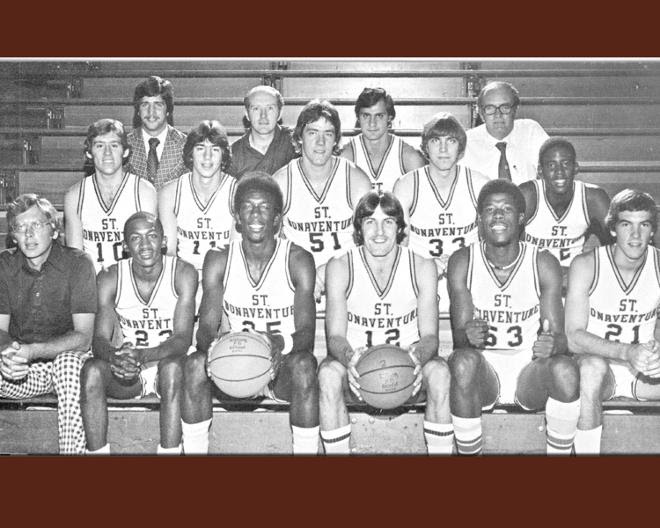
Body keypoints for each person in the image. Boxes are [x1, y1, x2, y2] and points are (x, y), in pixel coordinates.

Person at [181, 173, 320, 455]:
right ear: (237, 216)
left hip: (278, 365)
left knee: (305, 365)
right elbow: (206, 327)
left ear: (278, 217)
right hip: (233, 365)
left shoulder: (298, 259)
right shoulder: (218, 258)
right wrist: (212, 350)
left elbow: (306, 332)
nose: (255, 214)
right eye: (247, 206)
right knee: (195, 364)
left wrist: (278, 344)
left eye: (264, 207)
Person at [447, 180, 580, 455]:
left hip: (528, 369)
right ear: (480, 218)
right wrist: (466, 335)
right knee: (461, 361)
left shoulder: (542, 262)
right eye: (490, 209)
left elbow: (560, 339)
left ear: (520, 218)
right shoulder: (462, 260)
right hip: (486, 369)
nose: (497, 216)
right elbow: (460, 339)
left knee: (565, 369)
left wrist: (553, 345)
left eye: (506, 209)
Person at [318, 191, 452, 454]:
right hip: (357, 364)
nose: (379, 231)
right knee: (328, 375)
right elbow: (334, 336)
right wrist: (350, 359)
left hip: (408, 364)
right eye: (370, 222)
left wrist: (417, 358)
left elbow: (431, 338)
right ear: (359, 229)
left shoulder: (422, 267)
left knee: (440, 373)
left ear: (400, 228)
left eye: (388, 222)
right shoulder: (341, 266)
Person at [80, 212, 197, 455]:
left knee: (172, 368)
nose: (145, 245)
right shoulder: (110, 277)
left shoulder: (183, 273)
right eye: (135, 238)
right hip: (129, 371)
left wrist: (142, 355)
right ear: (124, 246)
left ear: (164, 241)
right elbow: (99, 340)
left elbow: (182, 339)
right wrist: (116, 358)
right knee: (91, 370)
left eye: (152, 236)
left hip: (166, 365)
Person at [0, 194, 96, 454]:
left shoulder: (78, 263)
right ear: (13, 236)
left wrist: (32, 351)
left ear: (54, 231)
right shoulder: (5, 264)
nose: (28, 235)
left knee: (68, 365)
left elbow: (84, 337)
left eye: (36, 225)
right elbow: (0, 329)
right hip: (22, 370)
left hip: (67, 367)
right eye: (20, 228)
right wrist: (11, 354)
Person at [566, 190, 660, 455]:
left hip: (644, 373)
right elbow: (573, 336)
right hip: (600, 367)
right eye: (626, 224)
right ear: (613, 229)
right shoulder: (587, 265)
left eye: (644, 225)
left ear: (653, 230)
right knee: (592, 368)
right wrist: (626, 352)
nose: (635, 235)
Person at [273, 99, 372, 300]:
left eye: (328, 134)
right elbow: (271, 246)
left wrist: (331, 269)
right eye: (312, 133)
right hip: (296, 282)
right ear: (299, 137)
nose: (320, 142)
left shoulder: (356, 180)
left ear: (336, 139)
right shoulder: (281, 181)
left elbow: (371, 244)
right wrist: (301, 274)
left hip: (349, 279)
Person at [393, 112, 489, 313]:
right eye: (436, 141)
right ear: (425, 147)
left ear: (460, 148)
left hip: (469, 279)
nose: (443, 149)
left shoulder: (479, 184)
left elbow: (489, 245)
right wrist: (425, 266)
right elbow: (398, 246)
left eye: (451, 141)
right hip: (420, 279)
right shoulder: (407, 185)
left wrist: (460, 265)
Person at [64, 118, 158, 274]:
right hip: (92, 284)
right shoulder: (75, 196)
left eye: (114, 145)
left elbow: (149, 254)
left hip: (133, 281)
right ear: (89, 152)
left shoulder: (144, 191)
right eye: (100, 146)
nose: (107, 153)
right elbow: (76, 259)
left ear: (125, 151)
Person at [520, 138, 611, 288]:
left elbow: (619, 241)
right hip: (531, 279)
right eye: (551, 165)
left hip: (573, 281)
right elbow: (506, 248)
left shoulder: (593, 198)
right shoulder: (528, 195)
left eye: (566, 164)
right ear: (540, 171)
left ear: (576, 167)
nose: (559, 172)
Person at [158, 120, 238, 288]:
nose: (207, 157)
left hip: (224, 280)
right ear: (190, 154)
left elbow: (235, 255)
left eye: (215, 150)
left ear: (224, 155)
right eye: (200, 149)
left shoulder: (237, 191)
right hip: (183, 279)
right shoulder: (170, 193)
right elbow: (170, 252)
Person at [461, 81, 549, 184]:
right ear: (481, 113)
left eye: (505, 107)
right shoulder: (466, 143)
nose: (498, 115)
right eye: (490, 108)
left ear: (515, 109)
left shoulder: (531, 131)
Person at [341, 87, 425, 193]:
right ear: (358, 118)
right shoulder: (346, 157)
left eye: (379, 116)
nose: (372, 123)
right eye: (366, 115)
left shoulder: (410, 158)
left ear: (390, 117)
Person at [126, 75, 187, 189]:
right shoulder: (125, 144)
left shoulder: (185, 144)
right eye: (145, 104)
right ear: (138, 111)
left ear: (168, 109)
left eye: (158, 105)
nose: (151, 112)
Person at [228, 85, 297, 179]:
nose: (263, 116)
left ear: (280, 113)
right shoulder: (234, 154)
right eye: (256, 108)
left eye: (270, 108)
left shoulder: (295, 143)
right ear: (247, 114)